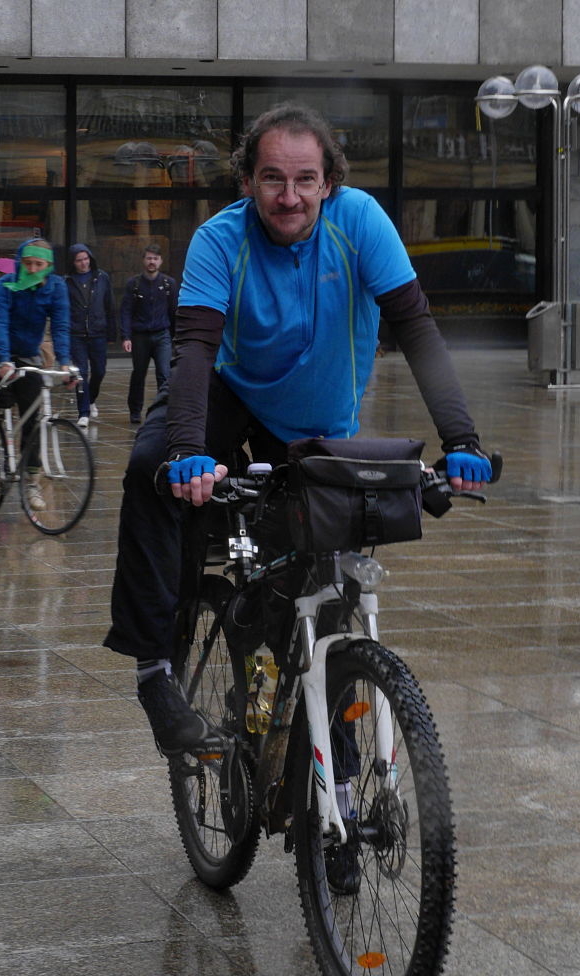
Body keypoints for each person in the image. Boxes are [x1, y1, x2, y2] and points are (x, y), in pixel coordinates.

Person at [104, 101, 492, 758]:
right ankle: (152, 674)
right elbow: (195, 349)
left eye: (305, 180)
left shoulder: (361, 222)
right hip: (230, 392)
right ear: (249, 181)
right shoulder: (220, 239)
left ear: (328, 182)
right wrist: (188, 452)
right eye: (273, 179)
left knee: (318, 581)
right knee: (150, 468)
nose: (290, 197)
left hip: (314, 421)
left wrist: (462, 440)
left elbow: (417, 330)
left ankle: (326, 775)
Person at [0, 238, 73, 510]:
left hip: (28, 351)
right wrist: (2, 359)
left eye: (39, 264)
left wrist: (66, 363)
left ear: (48, 266)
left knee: (32, 419)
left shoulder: (56, 288)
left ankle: (32, 481)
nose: (33, 269)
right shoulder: (4, 286)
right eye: (28, 263)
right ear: (20, 262)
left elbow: (60, 325)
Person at [119, 244, 178, 425]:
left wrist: (177, 338)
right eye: (149, 258)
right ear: (143, 260)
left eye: (155, 258)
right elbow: (126, 311)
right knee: (139, 374)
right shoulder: (134, 284)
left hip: (162, 335)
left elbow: (174, 311)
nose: (152, 261)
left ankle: (163, 410)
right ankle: (135, 411)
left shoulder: (169, 284)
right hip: (140, 336)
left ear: (161, 261)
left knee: (164, 373)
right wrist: (126, 336)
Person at [64, 243, 117, 428]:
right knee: (81, 374)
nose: (83, 263)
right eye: (79, 260)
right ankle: (83, 412)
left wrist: (112, 332)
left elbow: (109, 305)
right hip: (76, 333)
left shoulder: (101, 277)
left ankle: (91, 397)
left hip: (98, 331)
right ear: (73, 262)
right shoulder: (67, 281)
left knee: (99, 371)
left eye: (86, 259)